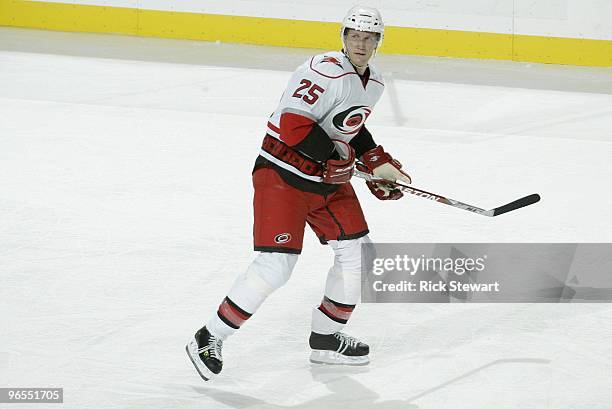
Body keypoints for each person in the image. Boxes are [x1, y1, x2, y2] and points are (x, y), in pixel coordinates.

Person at [186, 5, 412, 381]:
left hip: (326, 183)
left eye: (368, 38)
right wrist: (333, 157)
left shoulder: (373, 83)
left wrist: (376, 161)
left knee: (359, 256)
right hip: (282, 176)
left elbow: (350, 127)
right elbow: (293, 125)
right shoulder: (322, 70)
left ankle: (325, 338)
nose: (360, 43)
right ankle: (209, 336)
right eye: (354, 36)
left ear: (378, 42)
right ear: (343, 38)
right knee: (276, 266)